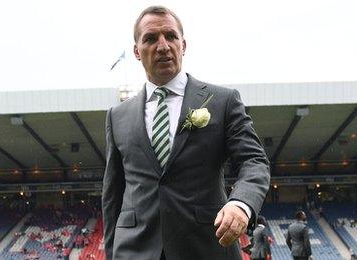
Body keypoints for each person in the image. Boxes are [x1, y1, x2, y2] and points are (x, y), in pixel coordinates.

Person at [102, 5, 270, 260]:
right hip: (133, 251)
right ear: (137, 51)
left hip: (206, 247)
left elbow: (254, 161)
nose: (162, 46)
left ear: (184, 45)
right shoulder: (117, 117)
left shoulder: (222, 101)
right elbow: (113, 194)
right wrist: (112, 252)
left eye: (170, 36)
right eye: (150, 38)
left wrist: (241, 203)